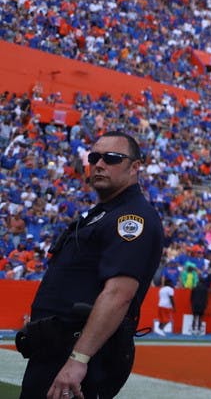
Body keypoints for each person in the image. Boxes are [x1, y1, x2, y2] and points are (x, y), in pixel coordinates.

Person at [15, 130, 164, 399]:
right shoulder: (102, 214)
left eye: (112, 158)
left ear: (135, 167)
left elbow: (118, 294)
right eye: (94, 157)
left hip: (80, 357)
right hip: (56, 349)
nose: (99, 164)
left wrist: (78, 359)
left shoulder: (131, 218)